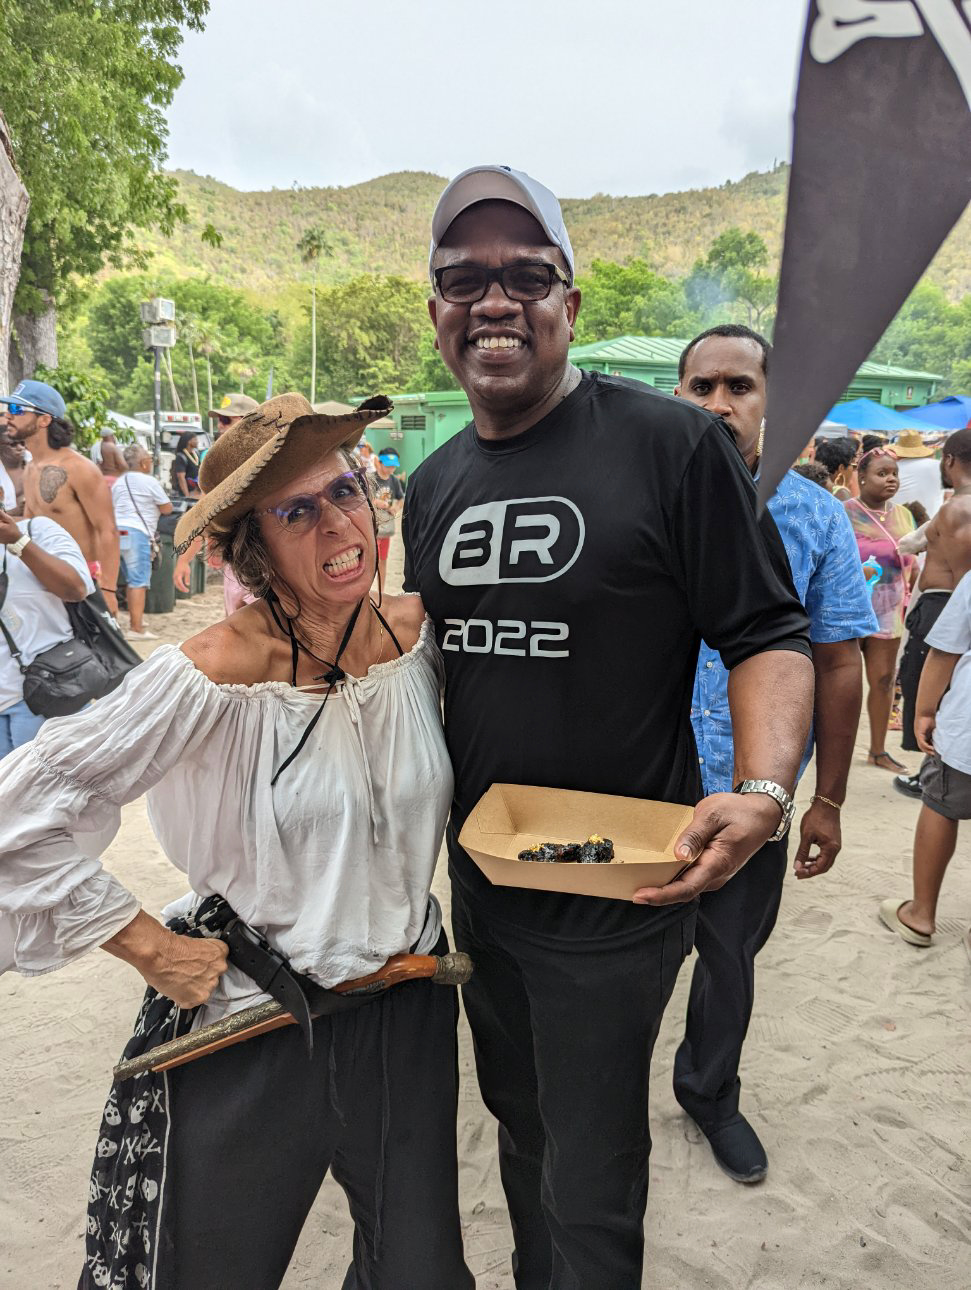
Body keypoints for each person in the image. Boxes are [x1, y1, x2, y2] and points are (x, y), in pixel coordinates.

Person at [402, 164, 814, 1289]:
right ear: (434, 310)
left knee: (589, 1176)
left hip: (615, 884)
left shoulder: (668, 447)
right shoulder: (430, 485)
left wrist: (768, 791)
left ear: (569, 306)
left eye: (526, 276)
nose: (494, 300)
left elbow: (768, 630)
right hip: (484, 878)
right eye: (463, 279)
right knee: (519, 1134)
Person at [0, 393, 472, 1290]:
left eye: (345, 492)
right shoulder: (210, 673)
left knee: (420, 1272)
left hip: (405, 1006)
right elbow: (18, 816)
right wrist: (150, 948)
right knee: (211, 1270)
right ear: (251, 547)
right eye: (298, 510)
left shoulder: (415, 637)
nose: (340, 523)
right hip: (253, 1017)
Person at [674, 324, 877, 1182]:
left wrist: (822, 796)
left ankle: (708, 1093)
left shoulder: (813, 516)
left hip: (750, 791)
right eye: (702, 387)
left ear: (772, 400)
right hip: (637, 783)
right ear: (678, 396)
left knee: (728, 958)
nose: (720, 403)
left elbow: (837, 663)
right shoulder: (645, 497)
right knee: (622, 957)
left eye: (740, 387)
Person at [879, 569, 971, 949]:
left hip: (967, 735)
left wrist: (924, 711)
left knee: (940, 807)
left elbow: (945, 650)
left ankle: (921, 915)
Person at [0, 379, 120, 618]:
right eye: (7, 410)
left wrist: (108, 588)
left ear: (44, 420)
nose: (7, 417)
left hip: (83, 579)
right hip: (45, 577)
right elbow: (31, 525)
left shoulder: (79, 468)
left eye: (16, 410)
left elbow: (107, 530)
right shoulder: (31, 467)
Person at [894, 427, 971, 795]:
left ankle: (935, 775)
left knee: (932, 689)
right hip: (948, 608)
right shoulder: (953, 507)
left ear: (950, 460)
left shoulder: (958, 509)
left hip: (946, 609)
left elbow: (963, 583)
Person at [844, 447, 917, 772]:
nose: (890, 480)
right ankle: (830, 748)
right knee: (842, 682)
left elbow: (913, 560)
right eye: (882, 473)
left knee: (884, 680)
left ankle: (877, 750)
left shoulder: (902, 514)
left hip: (889, 610)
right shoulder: (845, 510)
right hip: (847, 608)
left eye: (894, 474)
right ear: (861, 477)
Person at [0, 506, 94, 756]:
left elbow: (76, 588)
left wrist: (19, 542)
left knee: (55, 790)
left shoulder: (38, 529)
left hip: (46, 692)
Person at [111, 444, 173, 640]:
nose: (151, 461)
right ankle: (136, 628)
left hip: (116, 533)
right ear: (143, 463)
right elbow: (167, 508)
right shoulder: (149, 481)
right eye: (148, 458)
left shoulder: (119, 483)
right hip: (137, 533)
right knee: (138, 582)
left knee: (120, 580)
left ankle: (128, 621)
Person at [369, 447, 405, 587]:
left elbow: (401, 498)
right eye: (388, 465)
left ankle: (381, 591)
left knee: (383, 560)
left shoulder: (394, 481)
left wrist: (395, 507)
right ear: (380, 462)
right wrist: (376, 502)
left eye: (393, 466)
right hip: (373, 527)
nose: (391, 469)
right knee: (373, 561)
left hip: (386, 528)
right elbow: (363, 499)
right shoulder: (371, 479)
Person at [893, 427, 944, 517]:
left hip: (898, 525)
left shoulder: (890, 468)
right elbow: (950, 496)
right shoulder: (939, 466)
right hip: (931, 525)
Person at [813, 436, 858, 500]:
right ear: (841, 468)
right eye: (853, 465)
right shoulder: (841, 494)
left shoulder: (812, 483)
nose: (854, 470)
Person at [0, 424, 27, 513]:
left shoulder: (35, 462)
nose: (20, 448)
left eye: (22, 443)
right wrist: (14, 511)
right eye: (13, 444)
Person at [170, 430, 201, 498]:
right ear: (189, 441)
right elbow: (181, 478)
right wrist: (187, 496)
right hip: (186, 493)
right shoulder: (181, 456)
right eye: (195, 439)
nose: (197, 442)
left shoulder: (196, 453)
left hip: (196, 492)